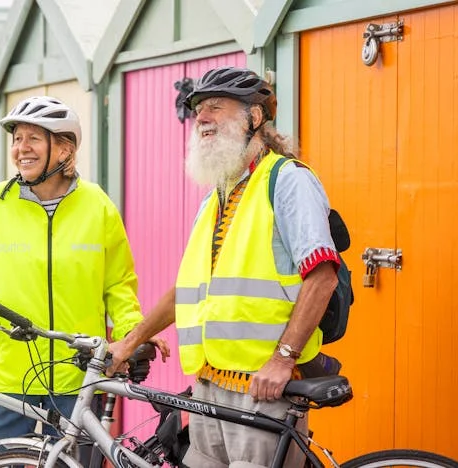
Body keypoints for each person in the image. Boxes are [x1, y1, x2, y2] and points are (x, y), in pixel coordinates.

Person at [0, 96, 168, 460]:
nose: (20, 148)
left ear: (64, 149)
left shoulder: (97, 206)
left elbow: (118, 285)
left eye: (33, 138)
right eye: (16, 138)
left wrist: (131, 335)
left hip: (76, 376)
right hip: (7, 375)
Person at [107, 67, 340, 468]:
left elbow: (322, 275)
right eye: (198, 109)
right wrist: (128, 343)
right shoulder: (217, 194)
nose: (201, 117)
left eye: (215, 106)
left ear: (254, 117)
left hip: (264, 388)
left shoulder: (286, 181)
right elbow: (187, 291)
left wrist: (284, 359)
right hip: (208, 387)